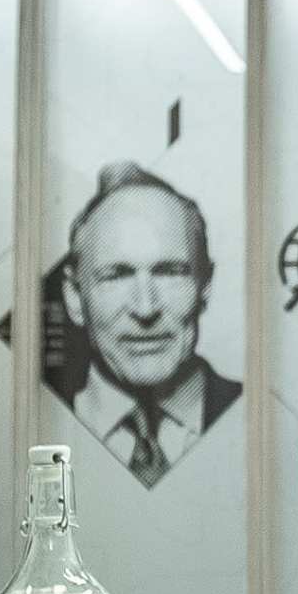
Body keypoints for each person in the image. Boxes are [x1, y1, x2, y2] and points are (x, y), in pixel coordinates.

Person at [50, 162, 240, 487]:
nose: (145, 307)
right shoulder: (35, 421)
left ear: (205, 286)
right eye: (117, 275)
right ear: (74, 297)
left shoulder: (262, 414)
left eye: (169, 272)